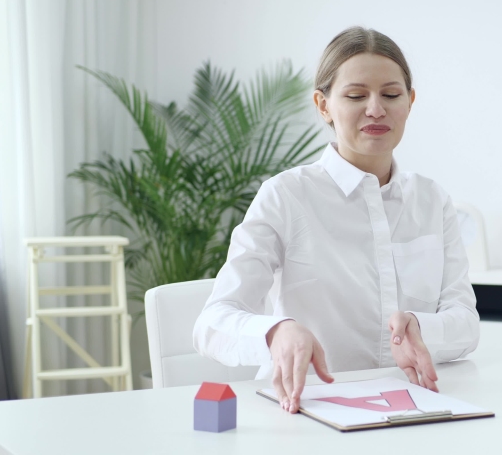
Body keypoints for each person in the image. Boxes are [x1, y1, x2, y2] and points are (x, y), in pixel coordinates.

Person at [193, 26, 480, 414]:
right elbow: (212, 323)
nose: (376, 109)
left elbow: (465, 322)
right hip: (308, 413)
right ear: (323, 105)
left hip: (412, 409)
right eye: (356, 95)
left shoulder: (432, 200)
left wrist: (421, 326)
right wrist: (275, 330)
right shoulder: (286, 195)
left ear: (410, 102)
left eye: (391, 95)